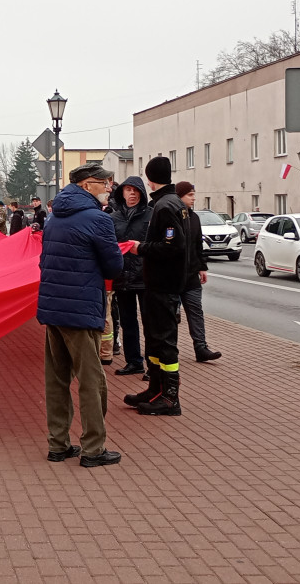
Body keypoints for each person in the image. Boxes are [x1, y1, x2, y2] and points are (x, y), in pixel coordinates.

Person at [37, 163, 124, 468]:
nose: (109, 187)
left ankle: (58, 444)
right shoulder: (98, 220)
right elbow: (114, 267)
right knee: (92, 382)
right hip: (82, 308)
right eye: (105, 183)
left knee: (57, 380)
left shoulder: (53, 218)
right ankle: (93, 448)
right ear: (88, 185)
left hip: (53, 309)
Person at [123, 156, 189, 416]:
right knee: (153, 339)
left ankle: (170, 398)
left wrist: (142, 248)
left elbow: (174, 245)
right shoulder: (169, 203)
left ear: (150, 179)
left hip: (164, 284)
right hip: (158, 283)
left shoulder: (165, 206)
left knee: (164, 341)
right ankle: (155, 388)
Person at [109, 176, 151, 376]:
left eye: (135, 190)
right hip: (122, 277)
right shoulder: (114, 218)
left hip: (145, 278)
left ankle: (154, 365)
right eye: (128, 190)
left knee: (150, 323)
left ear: (142, 193)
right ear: (122, 193)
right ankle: (134, 361)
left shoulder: (151, 215)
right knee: (127, 322)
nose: (132, 193)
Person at [176, 182, 222, 362]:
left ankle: (201, 348)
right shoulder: (171, 216)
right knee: (172, 316)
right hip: (173, 276)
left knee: (196, 311)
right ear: (179, 197)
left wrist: (202, 267)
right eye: (190, 195)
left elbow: (197, 245)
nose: (193, 198)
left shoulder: (194, 218)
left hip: (191, 275)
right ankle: (169, 349)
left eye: (194, 195)